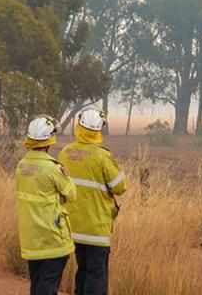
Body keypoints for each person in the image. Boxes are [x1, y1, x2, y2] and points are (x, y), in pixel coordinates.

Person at [59, 108, 127, 295]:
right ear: (99, 130)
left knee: (82, 272)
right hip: (96, 229)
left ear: (79, 127)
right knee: (96, 275)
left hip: (73, 226)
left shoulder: (65, 153)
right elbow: (120, 187)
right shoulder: (102, 156)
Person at [15, 115, 76, 295]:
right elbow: (72, 194)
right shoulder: (53, 168)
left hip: (31, 239)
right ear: (49, 141)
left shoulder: (21, 166)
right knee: (48, 285)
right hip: (52, 239)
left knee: (37, 282)